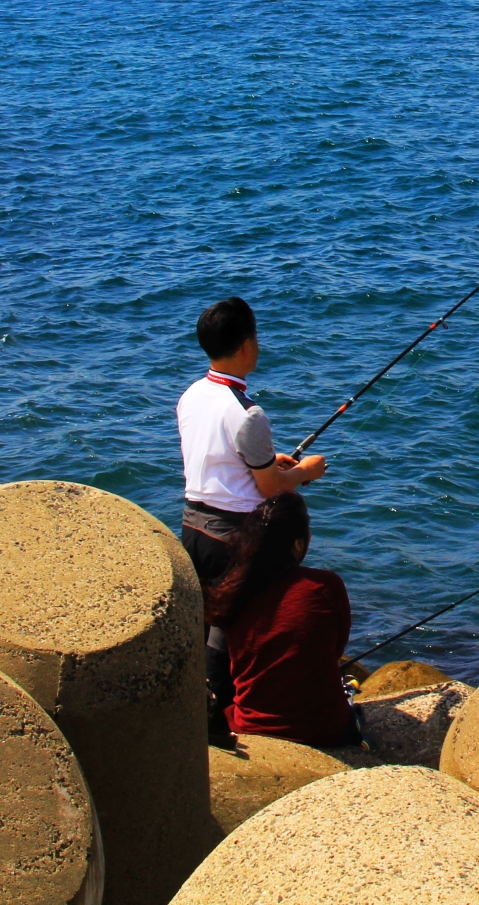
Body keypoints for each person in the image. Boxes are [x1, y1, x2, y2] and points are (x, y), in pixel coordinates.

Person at [177, 296, 325, 740]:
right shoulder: (247, 413)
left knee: (204, 623)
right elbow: (269, 488)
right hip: (233, 538)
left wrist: (266, 461)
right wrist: (305, 472)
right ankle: (220, 722)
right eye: (255, 338)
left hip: (192, 527)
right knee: (229, 632)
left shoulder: (192, 395)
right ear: (245, 346)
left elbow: (219, 459)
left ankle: (195, 711)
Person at [206, 490, 357, 747]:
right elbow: (335, 650)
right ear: (297, 545)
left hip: (251, 726)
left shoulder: (232, 590)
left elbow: (217, 664)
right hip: (325, 730)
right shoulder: (325, 585)